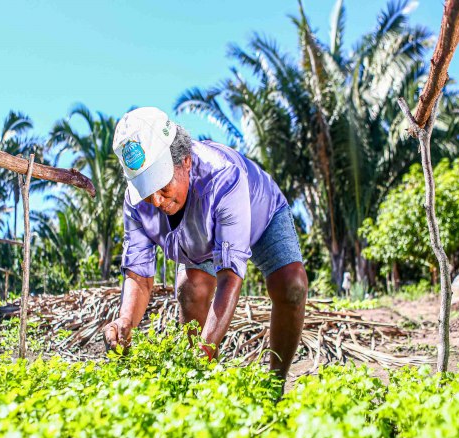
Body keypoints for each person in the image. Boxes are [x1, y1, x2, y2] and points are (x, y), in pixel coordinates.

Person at [103, 107, 308, 379]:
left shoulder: (224, 176)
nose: (156, 202)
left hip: (260, 212)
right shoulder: (137, 202)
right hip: (199, 235)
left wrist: (204, 350)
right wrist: (125, 322)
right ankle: (206, 385)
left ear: (185, 161)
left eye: (162, 186)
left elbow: (230, 278)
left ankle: (275, 383)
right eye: (145, 190)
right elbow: (138, 277)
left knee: (291, 285)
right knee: (191, 290)